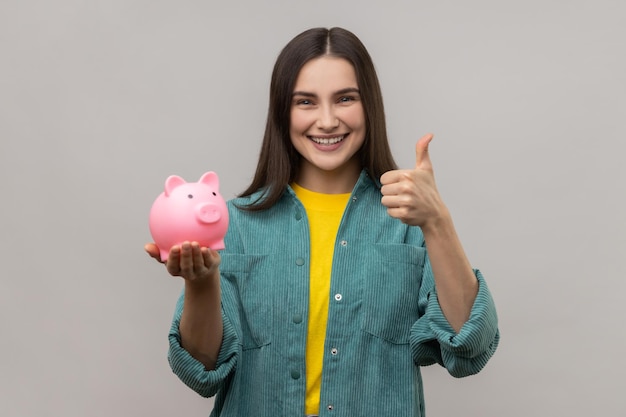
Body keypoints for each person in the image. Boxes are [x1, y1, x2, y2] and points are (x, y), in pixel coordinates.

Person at [145, 27, 499, 417]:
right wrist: (201, 282)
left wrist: (438, 223)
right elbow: (202, 371)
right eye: (306, 102)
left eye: (345, 99)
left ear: (370, 107)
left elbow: (470, 350)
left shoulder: (409, 222)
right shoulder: (236, 225)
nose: (327, 120)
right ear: (283, 111)